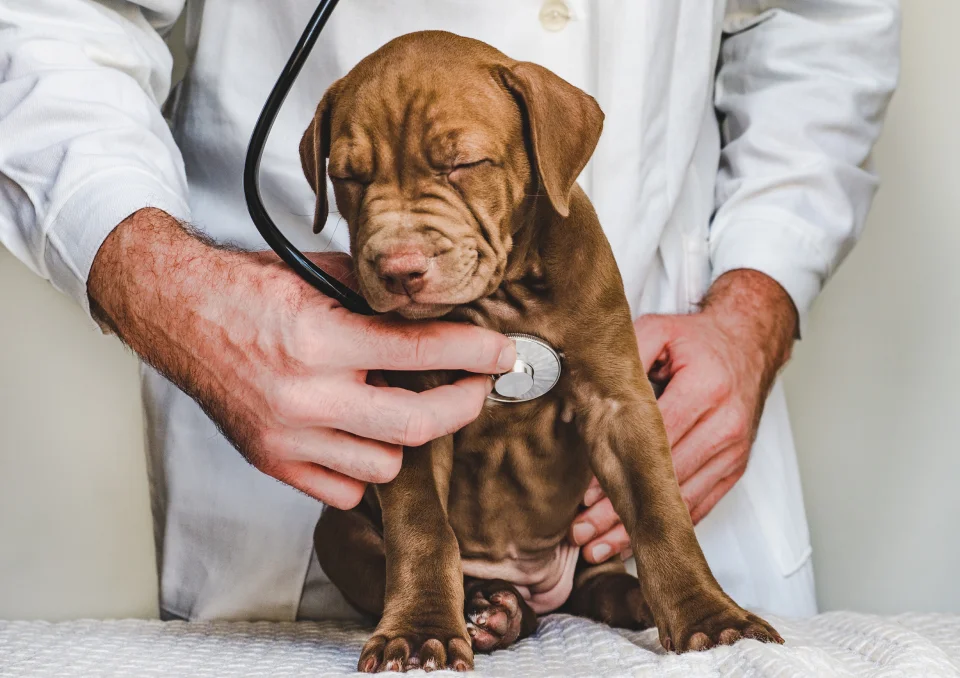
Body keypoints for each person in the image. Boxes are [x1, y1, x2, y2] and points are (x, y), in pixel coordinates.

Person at [0, 0, 899, 622]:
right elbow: (49, 19)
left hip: (648, 461)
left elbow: (823, 29)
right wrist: (167, 290)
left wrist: (758, 295)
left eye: (458, 165)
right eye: (353, 180)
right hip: (299, 477)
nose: (397, 244)